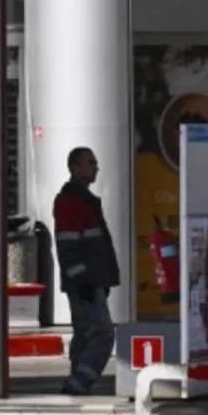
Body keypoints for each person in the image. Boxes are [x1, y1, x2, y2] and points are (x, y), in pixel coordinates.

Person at [53, 146, 121, 395]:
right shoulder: (72, 201)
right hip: (86, 283)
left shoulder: (83, 200)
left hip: (89, 281)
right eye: (90, 163)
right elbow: (68, 246)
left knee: (84, 334)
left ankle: (76, 381)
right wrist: (84, 281)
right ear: (75, 167)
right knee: (103, 334)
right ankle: (81, 380)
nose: (96, 168)